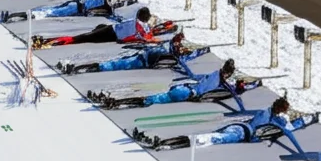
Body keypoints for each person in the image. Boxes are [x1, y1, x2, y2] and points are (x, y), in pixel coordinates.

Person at [132, 96, 318, 152]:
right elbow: (289, 128)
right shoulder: (275, 119)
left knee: (205, 136)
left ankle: (163, 140)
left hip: (239, 127)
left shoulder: (265, 111)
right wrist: (307, 120)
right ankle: (163, 142)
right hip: (241, 133)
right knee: (207, 139)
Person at [87, 58, 252, 111]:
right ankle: (118, 102)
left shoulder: (216, 73)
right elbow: (231, 91)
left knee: (152, 97)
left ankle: (117, 100)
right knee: (151, 100)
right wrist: (239, 89)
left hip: (185, 87)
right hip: (187, 93)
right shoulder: (220, 80)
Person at [56, 33, 209, 75]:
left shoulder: (172, 50)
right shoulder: (171, 49)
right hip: (140, 58)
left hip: (142, 59)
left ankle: (80, 67)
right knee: (112, 64)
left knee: (112, 64)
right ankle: (79, 67)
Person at [31, 7, 158, 48]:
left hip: (111, 29)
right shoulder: (142, 28)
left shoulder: (138, 23)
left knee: (83, 37)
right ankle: (49, 42)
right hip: (111, 34)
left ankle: (48, 41)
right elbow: (145, 37)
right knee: (80, 39)